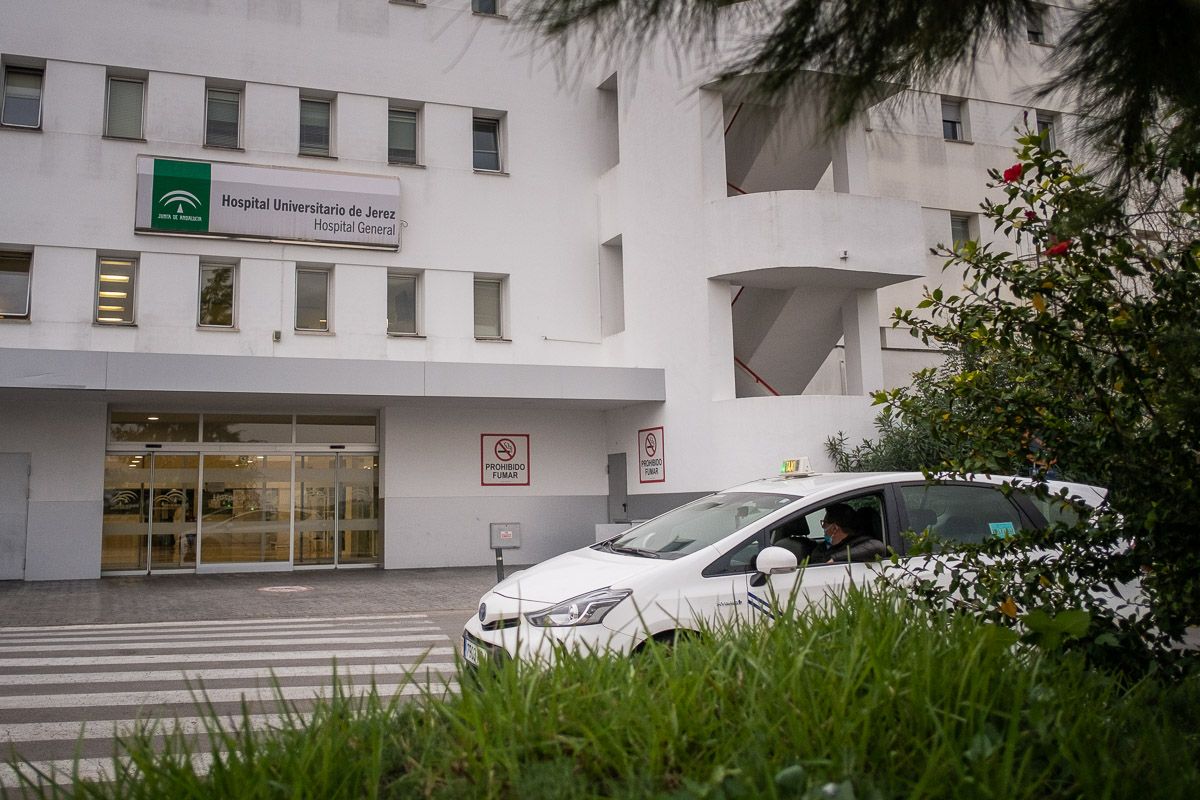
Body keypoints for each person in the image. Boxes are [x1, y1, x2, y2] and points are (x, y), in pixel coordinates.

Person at [809, 503, 886, 564]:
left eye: (824, 523)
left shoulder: (859, 543)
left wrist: (835, 558)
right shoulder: (825, 547)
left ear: (835, 528)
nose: (823, 526)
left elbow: (878, 547)